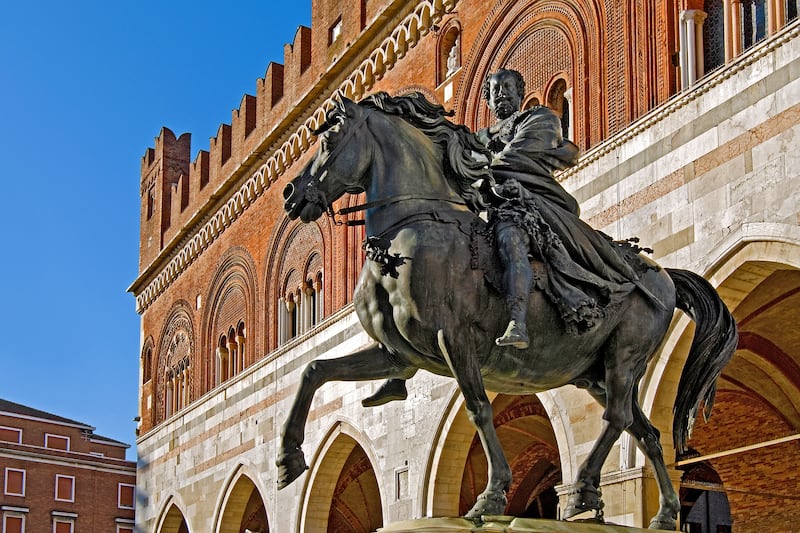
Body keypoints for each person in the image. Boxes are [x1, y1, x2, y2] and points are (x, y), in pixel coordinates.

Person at [362, 68, 645, 406]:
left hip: (525, 208)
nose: (501, 95)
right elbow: (445, 157)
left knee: (510, 242)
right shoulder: (479, 137)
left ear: (520, 91)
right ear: (488, 99)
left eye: (508, 88)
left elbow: (517, 157)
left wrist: (473, 168)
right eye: (494, 90)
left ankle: (517, 320)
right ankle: (400, 359)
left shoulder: (538, 119)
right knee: (435, 264)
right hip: (484, 213)